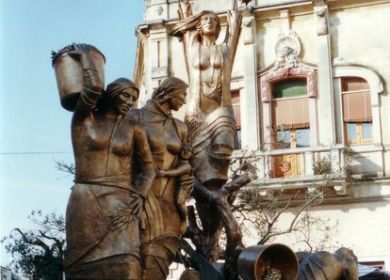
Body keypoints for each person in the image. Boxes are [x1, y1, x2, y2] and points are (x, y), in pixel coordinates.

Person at [62, 44, 155, 280]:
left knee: (128, 268)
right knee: (82, 272)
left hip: (122, 203)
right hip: (86, 199)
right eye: (125, 95)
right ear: (111, 94)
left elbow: (148, 168)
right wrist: (86, 58)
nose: (130, 102)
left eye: (134, 98)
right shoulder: (84, 120)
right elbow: (92, 89)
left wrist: (141, 193)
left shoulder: (134, 128)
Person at [171, 0, 243, 268]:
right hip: (197, 111)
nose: (210, 22)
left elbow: (235, 26)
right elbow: (183, 29)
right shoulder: (193, 46)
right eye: (205, 20)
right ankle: (209, 226)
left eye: (214, 19)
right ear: (199, 27)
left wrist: (238, 6)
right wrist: (188, 15)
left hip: (221, 107)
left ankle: (215, 210)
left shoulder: (225, 48)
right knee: (199, 164)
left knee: (224, 145)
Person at [130, 77, 194, 280]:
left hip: (170, 207)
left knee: (159, 269)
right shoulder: (135, 117)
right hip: (142, 200)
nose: (184, 100)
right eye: (182, 94)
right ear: (169, 92)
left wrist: (187, 181)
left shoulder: (180, 127)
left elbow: (185, 164)